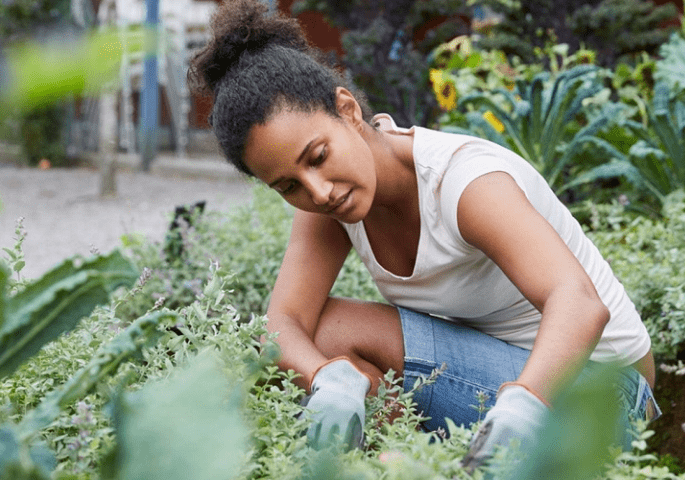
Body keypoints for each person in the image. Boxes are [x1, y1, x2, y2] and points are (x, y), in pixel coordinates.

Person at [189, 0, 661, 468]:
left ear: (347, 109)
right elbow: (283, 322)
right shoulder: (330, 201)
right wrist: (325, 378)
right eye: (288, 186)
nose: (318, 191)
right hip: (503, 378)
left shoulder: (465, 183)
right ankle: (419, 462)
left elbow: (579, 303)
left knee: (335, 330)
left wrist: (524, 405)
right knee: (320, 344)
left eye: (317, 156)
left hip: (603, 397)